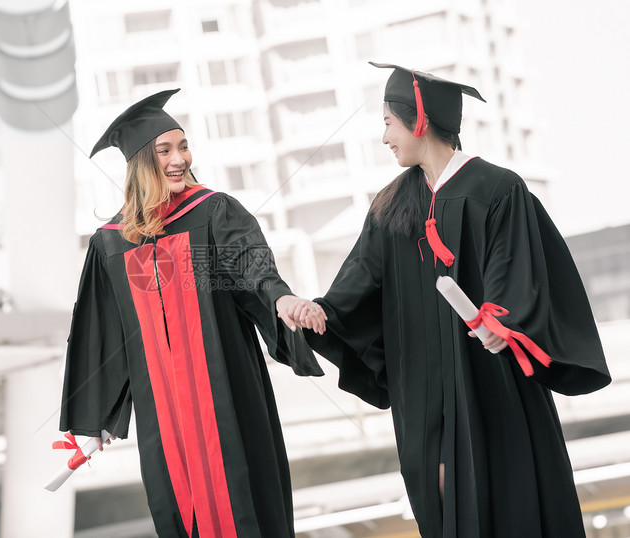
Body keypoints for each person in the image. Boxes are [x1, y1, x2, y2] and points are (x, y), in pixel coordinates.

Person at [289, 62, 611, 537]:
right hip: (422, 395)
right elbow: (359, 283)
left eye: (387, 123)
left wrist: (502, 320)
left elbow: (518, 271)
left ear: (418, 119)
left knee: (510, 503)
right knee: (443, 513)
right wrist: (322, 312)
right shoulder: (390, 206)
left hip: (492, 383)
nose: (384, 137)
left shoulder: (498, 191)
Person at [58, 88, 323, 537]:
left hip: (228, 400)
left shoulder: (213, 212)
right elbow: (104, 332)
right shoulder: (110, 243)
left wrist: (281, 299)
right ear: (142, 162)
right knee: (178, 512)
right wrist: (93, 421)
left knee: (245, 504)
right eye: (165, 150)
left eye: (183, 146)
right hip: (164, 418)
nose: (179, 158)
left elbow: (250, 265)